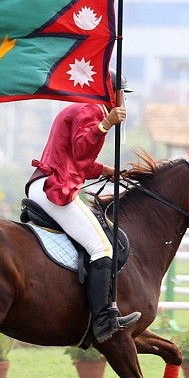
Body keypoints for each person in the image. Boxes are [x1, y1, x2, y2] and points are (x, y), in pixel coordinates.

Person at [26, 70, 141, 342]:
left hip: (46, 182)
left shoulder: (82, 108)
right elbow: (81, 150)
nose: (124, 101)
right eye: (123, 94)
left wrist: (105, 170)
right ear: (111, 92)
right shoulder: (92, 110)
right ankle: (102, 320)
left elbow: (77, 162)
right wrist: (106, 125)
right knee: (101, 247)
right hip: (54, 188)